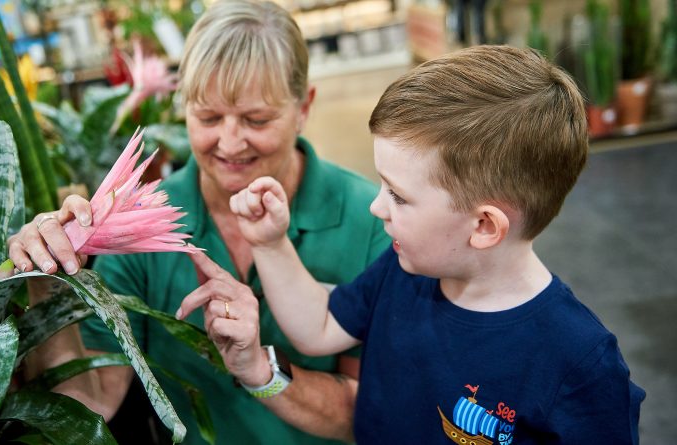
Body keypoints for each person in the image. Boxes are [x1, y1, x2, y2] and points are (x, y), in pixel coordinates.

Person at [178, 45, 646, 443]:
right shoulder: (401, 273)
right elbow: (319, 325)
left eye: (398, 196)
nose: (376, 207)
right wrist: (270, 243)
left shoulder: (579, 364)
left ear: (484, 226)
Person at [2, 0, 389, 443]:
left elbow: (370, 414)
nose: (230, 142)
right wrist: (46, 280)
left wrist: (260, 370)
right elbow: (91, 403)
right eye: (208, 117)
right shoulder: (139, 223)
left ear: (304, 107)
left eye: (256, 119)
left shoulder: (371, 219)